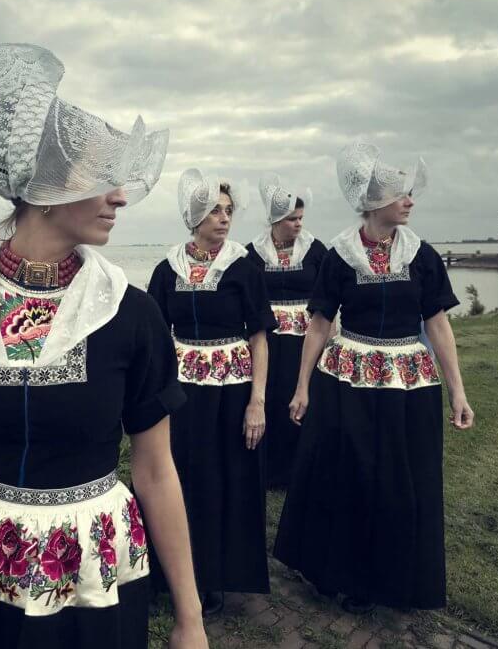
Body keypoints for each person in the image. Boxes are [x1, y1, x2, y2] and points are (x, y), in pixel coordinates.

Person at [0, 43, 208, 649]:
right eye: (102, 179)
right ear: (43, 187)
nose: (120, 195)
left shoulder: (129, 313)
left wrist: (190, 617)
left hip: (91, 574)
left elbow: (154, 469)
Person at [274, 140, 475, 614]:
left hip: (409, 385)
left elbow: (438, 325)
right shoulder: (340, 255)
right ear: (371, 201)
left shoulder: (421, 255)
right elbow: (319, 322)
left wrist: (458, 392)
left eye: (408, 193)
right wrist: (302, 386)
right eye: (399, 193)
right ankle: (342, 576)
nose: (409, 200)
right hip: (348, 381)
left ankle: (396, 580)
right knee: (350, 476)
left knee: (402, 482)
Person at [147, 169, 276, 616]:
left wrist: (257, 402)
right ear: (194, 214)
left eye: (228, 210)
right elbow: (155, 336)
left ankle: (219, 576)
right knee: (182, 478)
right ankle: (173, 574)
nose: (223, 218)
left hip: (233, 391)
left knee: (227, 479)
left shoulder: (244, 268)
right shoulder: (167, 271)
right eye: (214, 210)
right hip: (182, 394)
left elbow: (260, 338)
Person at [246, 174, 327, 489]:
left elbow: (328, 298)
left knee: (304, 398)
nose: (298, 224)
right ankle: (270, 470)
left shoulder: (316, 251)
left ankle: (301, 470)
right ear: (276, 219)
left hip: (307, 340)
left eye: (301, 218)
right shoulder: (253, 254)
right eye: (292, 219)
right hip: (268, 340)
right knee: (272, 396)